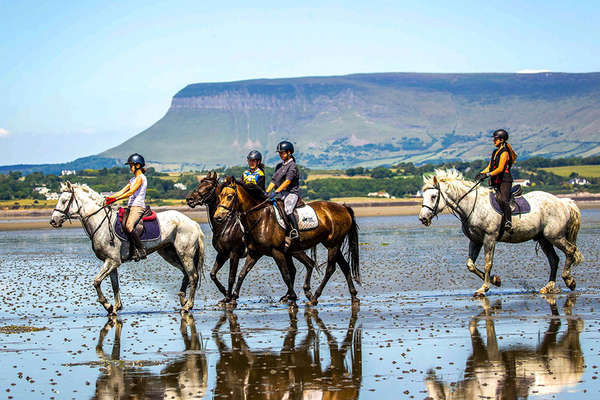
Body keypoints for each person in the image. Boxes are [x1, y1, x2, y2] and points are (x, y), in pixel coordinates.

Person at [105, 153, 148, 261]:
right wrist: (108, 199)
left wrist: (115, 200)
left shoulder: (140, 178)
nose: (130, 168)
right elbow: (121, 191)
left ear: (137, 165)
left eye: (131, 165)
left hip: (138, 207)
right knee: (122, 226)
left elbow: (130, 192)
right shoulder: (132, 180)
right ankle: (131, 250)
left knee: (129, 226)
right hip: (130, 206)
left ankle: (141, 249)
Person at [475, 129, 518, 233]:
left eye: (496, 139)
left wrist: (487, 175)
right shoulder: (495, 152)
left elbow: (500, 169)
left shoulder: (505, 153)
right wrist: (481, 173)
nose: (494, 141)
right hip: (495, 181)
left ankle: (508, 222)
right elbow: (490, 166)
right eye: (494, 139)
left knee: (503, 200)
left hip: (505, 181)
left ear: (502, 140)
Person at [266, 140, 300, 243]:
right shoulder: (279, 166)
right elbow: (274, 181)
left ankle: (295, 231)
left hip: (291, 193)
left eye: (282, 153)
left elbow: (287, 182)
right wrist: (266, 192)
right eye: (279, 153)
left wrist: (275, 192)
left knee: (288, 209)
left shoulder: (292, 166)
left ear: (289, 152)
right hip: (281, 193)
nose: (280, 155)